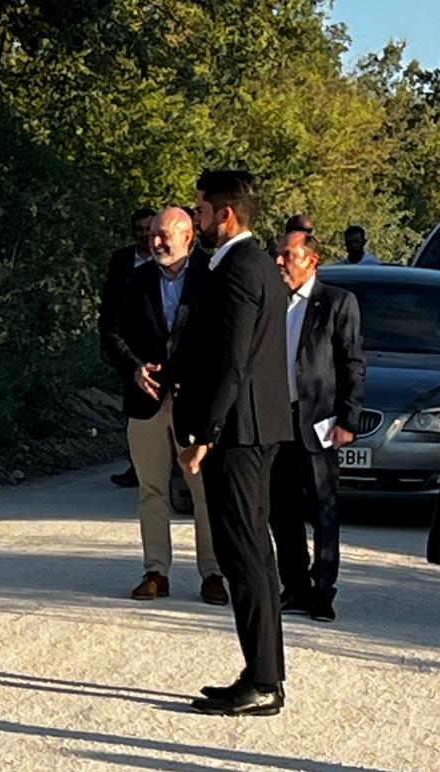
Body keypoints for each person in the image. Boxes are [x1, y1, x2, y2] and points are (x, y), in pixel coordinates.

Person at [175, 170, 293, 717]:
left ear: (224, 214)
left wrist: (204, 434)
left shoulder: (239, 269)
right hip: (254, 429)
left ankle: (265, 682)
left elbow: (232, 363)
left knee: (244, 557)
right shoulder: (257, 265)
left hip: (239, 434)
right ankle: (261, 672)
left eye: (200, 210)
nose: (196, 219)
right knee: (255, 557)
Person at [100, 208, 226, 605]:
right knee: (150, 489)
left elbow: (228, 338)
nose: (155, 242)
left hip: (196, 404)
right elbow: (110, 332)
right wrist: (133, 368)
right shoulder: (133, 280)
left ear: (188, 236)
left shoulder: (214, 277)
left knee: (205, 493)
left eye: (163, 235)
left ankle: (213, 575)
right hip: (147, 401)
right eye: (152, 234)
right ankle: (156, 571)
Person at [271, 228, 365, 624]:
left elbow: (352, 364)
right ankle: (295, 587)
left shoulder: (337, 303)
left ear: (311, 259)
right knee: (281, 511)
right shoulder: (272, 302)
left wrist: (348, 420)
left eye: (287, 255)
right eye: (277, 255)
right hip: (276, 422)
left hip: (320, 422)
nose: (279, 262)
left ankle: (323, 591)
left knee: (323, 511)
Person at [100, 208, 158, 489]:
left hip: (156, 341)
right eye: (139, 228)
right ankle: (137, 464)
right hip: (126, 342)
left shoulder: (166, 259)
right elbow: (110, 298)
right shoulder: (122, 259)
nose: (144, 234)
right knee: (133, 406)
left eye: (149, 228)